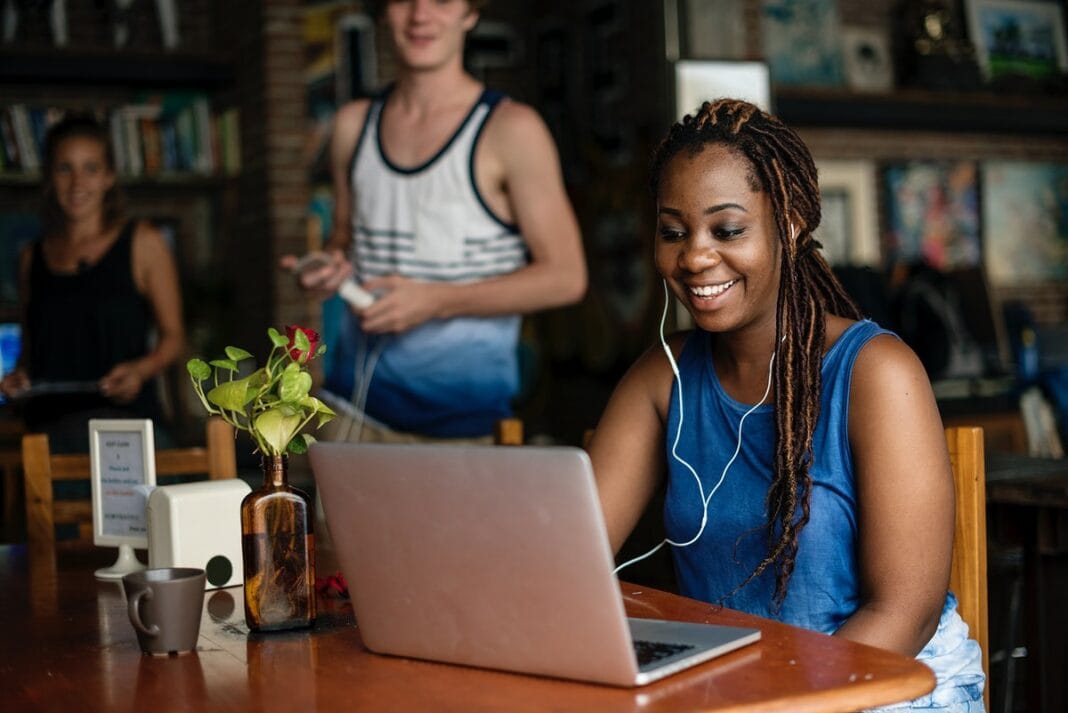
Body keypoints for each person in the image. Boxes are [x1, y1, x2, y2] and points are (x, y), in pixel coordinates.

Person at [588, 99, 984, 709]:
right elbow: (571, 558)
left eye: (727, 230)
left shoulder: (876, 373)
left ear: (791, 222)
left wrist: (777, 700)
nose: (694, 257)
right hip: (736, 690)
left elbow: (905, 612)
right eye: (673, 233)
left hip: (882, 680)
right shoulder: (660, 379)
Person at [282, 0, 586, 443]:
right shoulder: (352, 125)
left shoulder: (512, 129)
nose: (421, 15)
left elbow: (566, 277)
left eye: (442, 1)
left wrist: (436, 301)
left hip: (470, 427)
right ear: (384, 11)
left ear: (471, 13)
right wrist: (328, 266)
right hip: (351, 416)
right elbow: (344, 237)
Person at [0, 114, 185, 452]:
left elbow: (173, 337)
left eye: (91, 168)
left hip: (127, 431)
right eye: (64, 168)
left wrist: (140, 371)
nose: (77, 182)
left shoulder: (143, 243)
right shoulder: (30, 258)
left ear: (109, 177)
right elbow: (31, 349)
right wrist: (18, 378)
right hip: (46, 434)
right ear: (49, 178)